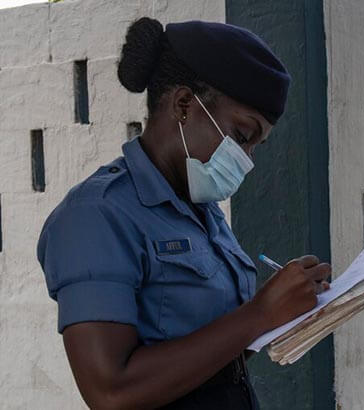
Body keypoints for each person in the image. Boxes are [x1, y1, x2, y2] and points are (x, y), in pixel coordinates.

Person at [36, 17, 330, 409]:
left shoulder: (201, 211)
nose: (246, 160)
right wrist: (259, 313)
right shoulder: (97, 216)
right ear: (184, 104)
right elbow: (110, 392)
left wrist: (285, 310)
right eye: (242, 136)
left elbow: (211, 354)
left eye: (256, 145)